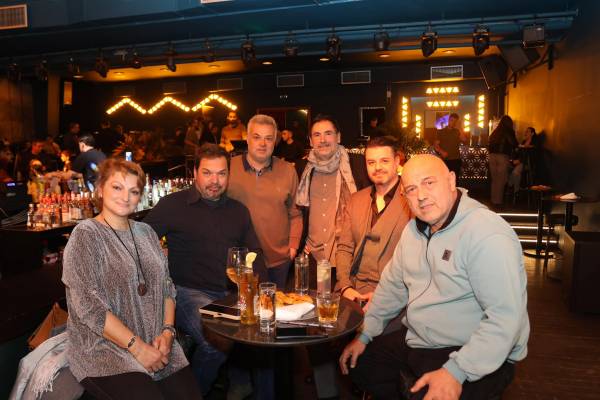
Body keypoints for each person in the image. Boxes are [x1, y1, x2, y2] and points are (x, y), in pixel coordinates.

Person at [340, 154, 529, 400]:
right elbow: (391, 288)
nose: (421, 195)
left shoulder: (486, 233)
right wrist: (365, 334)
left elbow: (505, 318)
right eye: (411, 189)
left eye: (429, 183)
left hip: (473, 348)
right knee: (360, 364)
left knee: (427, 393)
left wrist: (456, 371)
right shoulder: (413, 230)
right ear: (404, 196)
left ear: (451, 181)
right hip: (423, 339)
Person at [61, 158, 202, 399]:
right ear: (100, 189)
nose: (125, 197)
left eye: (134, 191)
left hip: (157, 342)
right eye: (117, 187)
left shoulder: (146, 232)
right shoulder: (86, 235)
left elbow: (167, 288)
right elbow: (89, 307)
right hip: (105, 350)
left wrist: (168, 333)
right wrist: (137, 348)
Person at [144, 143, 267, 395]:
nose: (215, 181)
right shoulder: (172, 205)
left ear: (228, 175)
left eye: (221, 173)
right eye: (207, 173)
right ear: (195, 173)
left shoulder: (239, 211)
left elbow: (255, 256)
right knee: (216, 342)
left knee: (263, 331)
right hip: (188, 293)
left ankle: (240, 383)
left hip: (231, 294)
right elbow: (140, 242)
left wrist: (261, 293)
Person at [295, 114, 370, 399]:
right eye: (317, 134)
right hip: (314, 258)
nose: (323, 139)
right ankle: (325, 387)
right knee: (313, 324)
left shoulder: (359, 165)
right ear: (310, 140)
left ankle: (354, 377)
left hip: (347, 258)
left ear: (338, 137)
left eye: (328, 133)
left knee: (350, 322)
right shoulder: (302, 169)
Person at [335, 136, 411, 311]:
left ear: (397, 162)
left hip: (395, 296)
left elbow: (418, 260)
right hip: (353, 290)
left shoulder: (411, 201)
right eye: (371, 162)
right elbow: (344, 247)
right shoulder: (356, 200)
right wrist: (345, 287)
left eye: (384, 161)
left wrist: (386, 294)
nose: (377, 167)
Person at [228, 115, 303, 289]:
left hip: (278, 261)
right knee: (242, 306)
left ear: (275, 142)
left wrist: (293, 247)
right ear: (247, 139)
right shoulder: (229, 168)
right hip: (240, 262)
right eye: (257, 137)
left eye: (268, 138)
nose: (263, 144)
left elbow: (295, 213)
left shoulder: (288, 171)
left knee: (275, 306)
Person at [488, 115, 518, 208]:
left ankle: (493, 200)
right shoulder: (509, 131)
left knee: (495, 180)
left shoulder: (495, 132)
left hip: (492, 157)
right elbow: (514, 143)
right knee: (501, 180)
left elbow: (489, 143)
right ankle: (498, 202)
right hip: (502, 157)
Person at [434, 113, 468, 178]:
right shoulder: (440, 131)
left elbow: (464, 140)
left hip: (456, 159)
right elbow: (436, 145)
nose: (453, 122)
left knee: (455, 179)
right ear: (449, 120)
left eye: (455, 121)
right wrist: (441, 152)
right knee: (445, 178)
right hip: (445, 160)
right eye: (452, 120)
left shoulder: (457, 131)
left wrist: (460, 128)